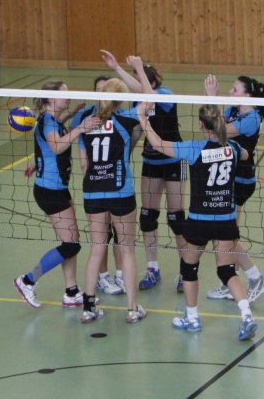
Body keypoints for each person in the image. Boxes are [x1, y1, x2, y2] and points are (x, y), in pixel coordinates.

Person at [136, 96, 259, 340]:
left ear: (201, 124)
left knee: (189, 269)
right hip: (225, 220)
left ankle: (192, 318)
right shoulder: (234, 149)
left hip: (199, 221)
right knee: (227, 271)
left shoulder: (193, 149)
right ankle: (247, 315)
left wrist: (142, 118)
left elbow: (158, 144)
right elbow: (247, 153)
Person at [13, 82, 102, 310]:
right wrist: (81, 127)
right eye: (64, 93)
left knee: (69, 242)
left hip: (57, 187)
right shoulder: (47, 122)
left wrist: (71, 115)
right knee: (71, 245)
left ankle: (71, 292)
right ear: (52, 98)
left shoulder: (51, 120)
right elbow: (56, 146)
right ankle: (27, 281)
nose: (68, 96)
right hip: (50, 191)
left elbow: (51, 138)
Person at [101, 50, 185, 291]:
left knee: (176, 218)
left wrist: (136, 68)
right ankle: (152, 269)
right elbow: (136, 130)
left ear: (151, 82)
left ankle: (185, 270)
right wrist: (123, 156)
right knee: (148, 216)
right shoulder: (139, 101)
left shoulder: (165, 94)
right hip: (151, 161)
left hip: (173, 159)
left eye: (139, 79)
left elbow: (150, 95)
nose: (135, 86)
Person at [76, 77, 145, 324]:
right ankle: (132, 309)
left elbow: (84, 164)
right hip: (120, 192)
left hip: (93, 192)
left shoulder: (86, 123)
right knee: (127, 250)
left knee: (96, 249)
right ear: (121, 99)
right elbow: (149, 98)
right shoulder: (126, 121)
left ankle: (88, 308)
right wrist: (134, 70)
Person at [204, 74, 264, 302]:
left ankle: (256, 278)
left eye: (234, 90)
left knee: (227, 235)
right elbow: (208, 128)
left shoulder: (252, 118)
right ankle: (230, 282)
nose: (230, 92)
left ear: (248, 95)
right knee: (227, 234)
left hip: (240, 181)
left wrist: (211, 99)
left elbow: (219, 132)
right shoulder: (234, 111)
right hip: (228, 177)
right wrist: (211, 106)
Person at [70, 76, 128, 297]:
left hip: (110, 184)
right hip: (102, 187)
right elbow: (81, 154)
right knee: (103, 238)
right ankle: (103, 277)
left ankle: (121, 275)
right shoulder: (86, 117)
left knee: (116, 235)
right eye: (100, 90)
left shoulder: (121, 114)